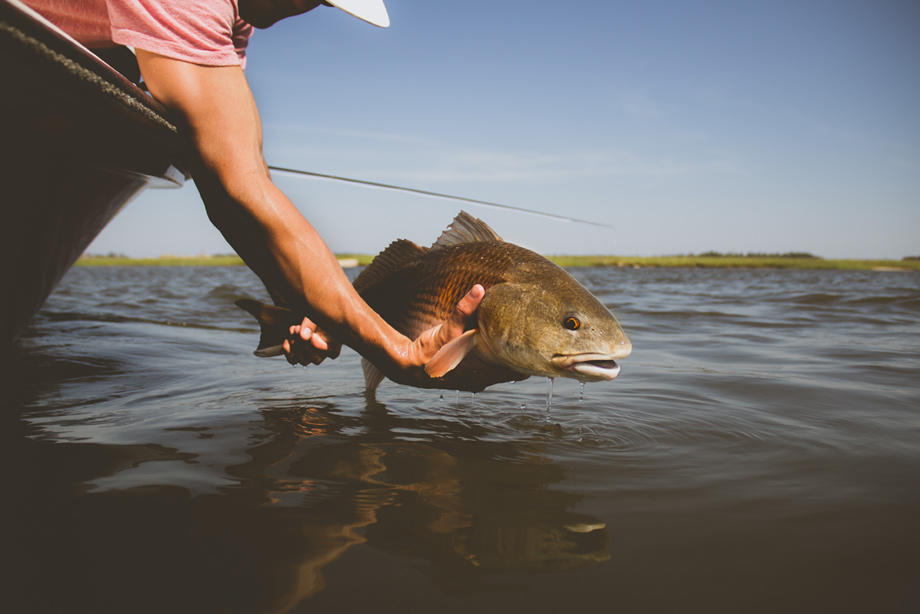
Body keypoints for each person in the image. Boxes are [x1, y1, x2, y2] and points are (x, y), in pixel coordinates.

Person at [24, 0, 484, 380]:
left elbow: (245, 170)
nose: (300, 9)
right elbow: (237, 193)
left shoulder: (235, 17)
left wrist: (299, 303)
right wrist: (398, 353)